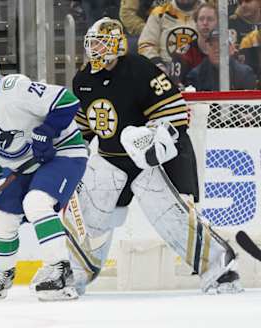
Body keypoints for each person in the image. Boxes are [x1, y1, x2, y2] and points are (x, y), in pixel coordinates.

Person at [69, 17, 243, 295]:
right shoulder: (83, 79)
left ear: (116, 44)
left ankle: (220, 268)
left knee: (171, 218)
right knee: (91, 219)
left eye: (101, 43)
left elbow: (173, 111)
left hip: (144, 161)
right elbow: (83, 126)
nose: (95, 50)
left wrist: (153, 138)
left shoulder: (139, 68)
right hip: (108, 160)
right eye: (92, 44)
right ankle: (73, 275)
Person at [0, 48, 88, 301]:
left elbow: (67, 100)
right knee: (2, 217)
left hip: (64, 153)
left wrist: (47, 130)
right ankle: (3, 274)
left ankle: (60, 270)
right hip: (26, 167)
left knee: (36, 202)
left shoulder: (16, 87)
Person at [138, 0, 200, 81]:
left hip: (200, 72)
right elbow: (146, 45)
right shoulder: (159, 12)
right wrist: (159, 66)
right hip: (164, 72)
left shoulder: (209, 13)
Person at [185, 29, 257, 91]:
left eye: (222, 45)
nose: (216, 49)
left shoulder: (245, 73)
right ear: (207, 49)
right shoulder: (195, 76)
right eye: (211, 45)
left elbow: (249, 105)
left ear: (232, 48)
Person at [174, 3, 218, 87]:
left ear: (218, 23)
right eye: (201, 19)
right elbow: (177, 88)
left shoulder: (227, 52)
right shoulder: (183, 55)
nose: (205, 23)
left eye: (210, 19)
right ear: (196, 23)